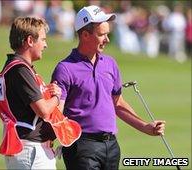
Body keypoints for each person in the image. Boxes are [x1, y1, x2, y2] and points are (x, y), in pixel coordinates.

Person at [51, 5, 166, 170]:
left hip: (111, 146)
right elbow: (57, 113)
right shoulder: (65, 68)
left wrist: (145, 127)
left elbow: (117, 103)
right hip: (81, 147)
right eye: (102, 35)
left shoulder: (110, 64)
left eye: (107, 34)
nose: (107, 39)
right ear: (85, 35)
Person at [0, 17, 62, 169]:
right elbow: (43, 111)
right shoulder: (20, 69)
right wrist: (57, 97)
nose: (46, 45)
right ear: (30, 40)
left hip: (28, 149)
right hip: (31, 152)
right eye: (43, 39)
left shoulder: (19, 68)